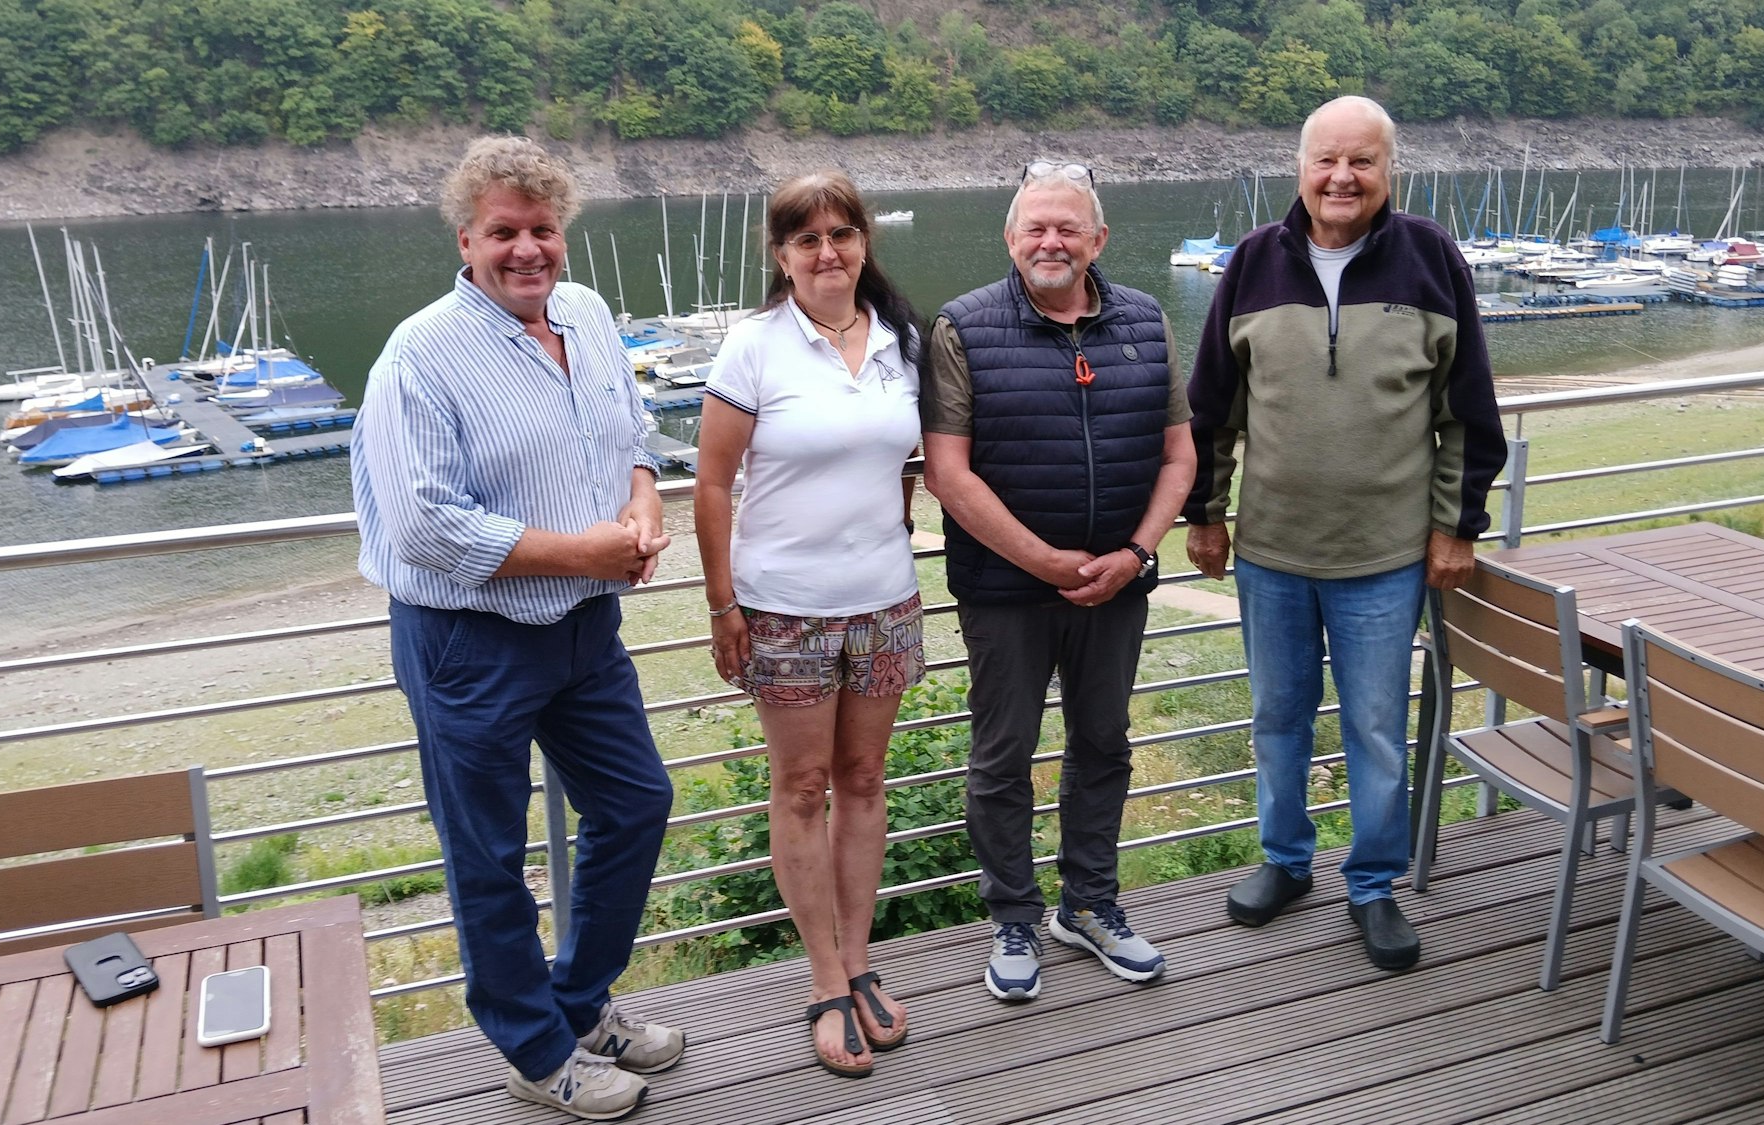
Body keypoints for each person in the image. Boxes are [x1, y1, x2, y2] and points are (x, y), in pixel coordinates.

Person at [351, 135, 683, 1121]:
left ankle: (577, 1004)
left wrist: (644, 507)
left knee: (636, 804)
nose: (526, 249)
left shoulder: (582, 315)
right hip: (468, 640)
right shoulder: (420, 353)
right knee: (487, 857)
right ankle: (535, 1054)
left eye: (542, 230)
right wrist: (584, 552)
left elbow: (628, 434)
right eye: (504, 232)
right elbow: (423, 523)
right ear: (467, 239)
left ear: (562, 234)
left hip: (581, 628)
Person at [1182, 96, 1506, 972]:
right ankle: (1285, 861)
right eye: (1327, 160)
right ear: (1300, 167)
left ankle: (1373, 884)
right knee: (1277, 718)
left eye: (1361, 162)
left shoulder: (1431, 257)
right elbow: (1211, 407)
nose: (1342, 178)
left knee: (1373, 726)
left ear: (1387, 170)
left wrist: (1456, 526)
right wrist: (1206, 514)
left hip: (1386, 557)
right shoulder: (1251, 264)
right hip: (1272, 552)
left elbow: (1467, 412)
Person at [923, 160, 1195, 1001]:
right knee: (1003, 755)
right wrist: (1043, 562)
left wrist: (1139, 552)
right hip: (1006, 592)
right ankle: (1013, 913)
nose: (1051, 240)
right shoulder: (962, 326)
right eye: (1035, 227)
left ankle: (1090, 903)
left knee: (1105, 743)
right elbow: (948, 473)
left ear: (1098, 239)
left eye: (1068, 227)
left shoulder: (1147, 322)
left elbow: (1179, 452)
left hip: (1118, 583)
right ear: (1010, 238)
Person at [693, 171, 925, 1079]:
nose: (827, 252)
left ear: (864, 239)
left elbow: (908, 461)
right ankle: (825, 976)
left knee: (864, 778)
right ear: (782, 256)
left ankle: (861, 959)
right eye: (806, 239)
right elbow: (713, 484)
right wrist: (722, 605)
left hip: (884, 597)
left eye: (842, 233)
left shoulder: (902, 338)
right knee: (800, 785)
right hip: (781, 604)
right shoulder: (753, 347)